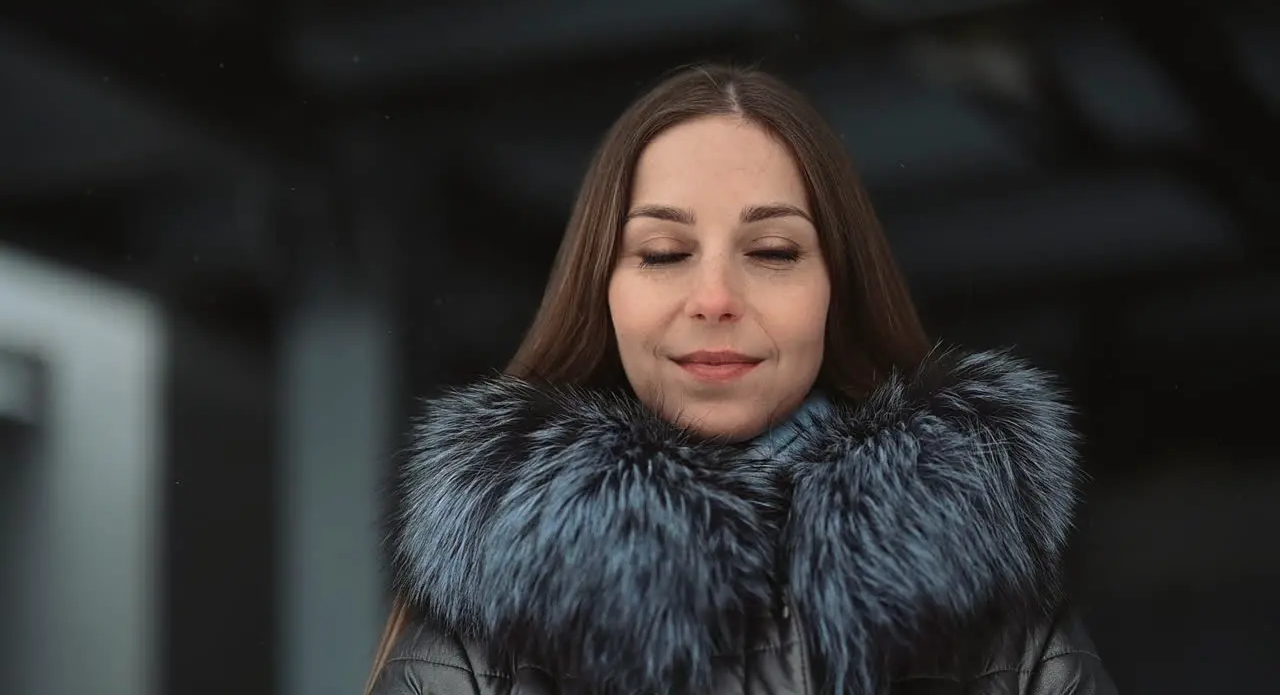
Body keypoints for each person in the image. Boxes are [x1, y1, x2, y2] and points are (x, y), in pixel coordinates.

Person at [365, 63, 1117, 695]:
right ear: (603, 290)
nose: (717, 298)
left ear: (838, 289)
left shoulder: (990, 597)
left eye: (774, 252)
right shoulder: (485, 607)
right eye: (663, 252)